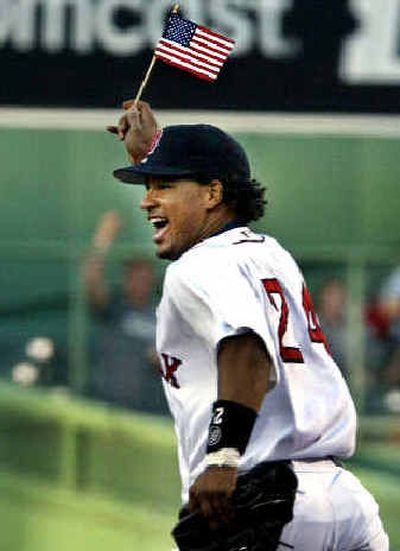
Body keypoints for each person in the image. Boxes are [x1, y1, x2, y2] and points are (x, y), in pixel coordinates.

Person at [108, 101, 389, 550]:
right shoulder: (271, 253)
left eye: (163, 185)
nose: (147, 200)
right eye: (149, 185)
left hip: (265, 496)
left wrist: (221, 458)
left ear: (213, 194)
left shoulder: (198, 266)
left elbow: (247, 350)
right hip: (343, 498)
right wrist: (156, 155)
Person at [83, 210, 166, 414]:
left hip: (148, 412)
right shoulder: (116, 307)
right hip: (107, 407)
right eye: (135, 277)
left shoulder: (164, 316)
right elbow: (92, 279)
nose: (140, 284)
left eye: (145, 278)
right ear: (126, 280)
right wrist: (104, 236)